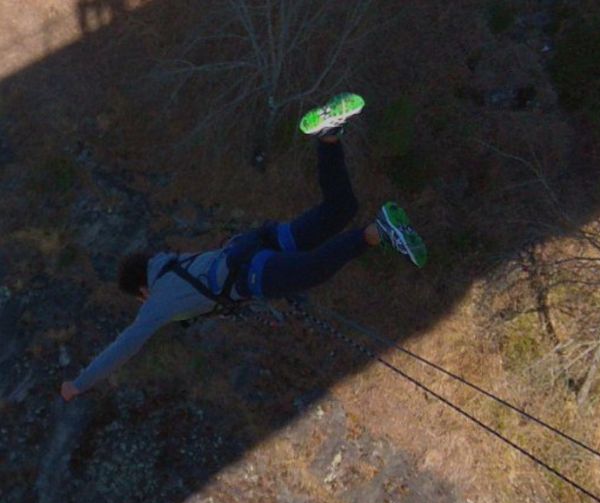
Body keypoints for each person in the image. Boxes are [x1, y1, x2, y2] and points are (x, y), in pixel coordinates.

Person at [60, 93, 426, 402]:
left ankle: (378, 231)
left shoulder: (158, 300)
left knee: (315, 269)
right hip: (262, 241)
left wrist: (79, 384)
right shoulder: (169, 262)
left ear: (142, 290)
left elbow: (123, 347)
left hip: (254, 271)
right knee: (339, 209)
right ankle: (328, 135)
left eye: (141, 299)